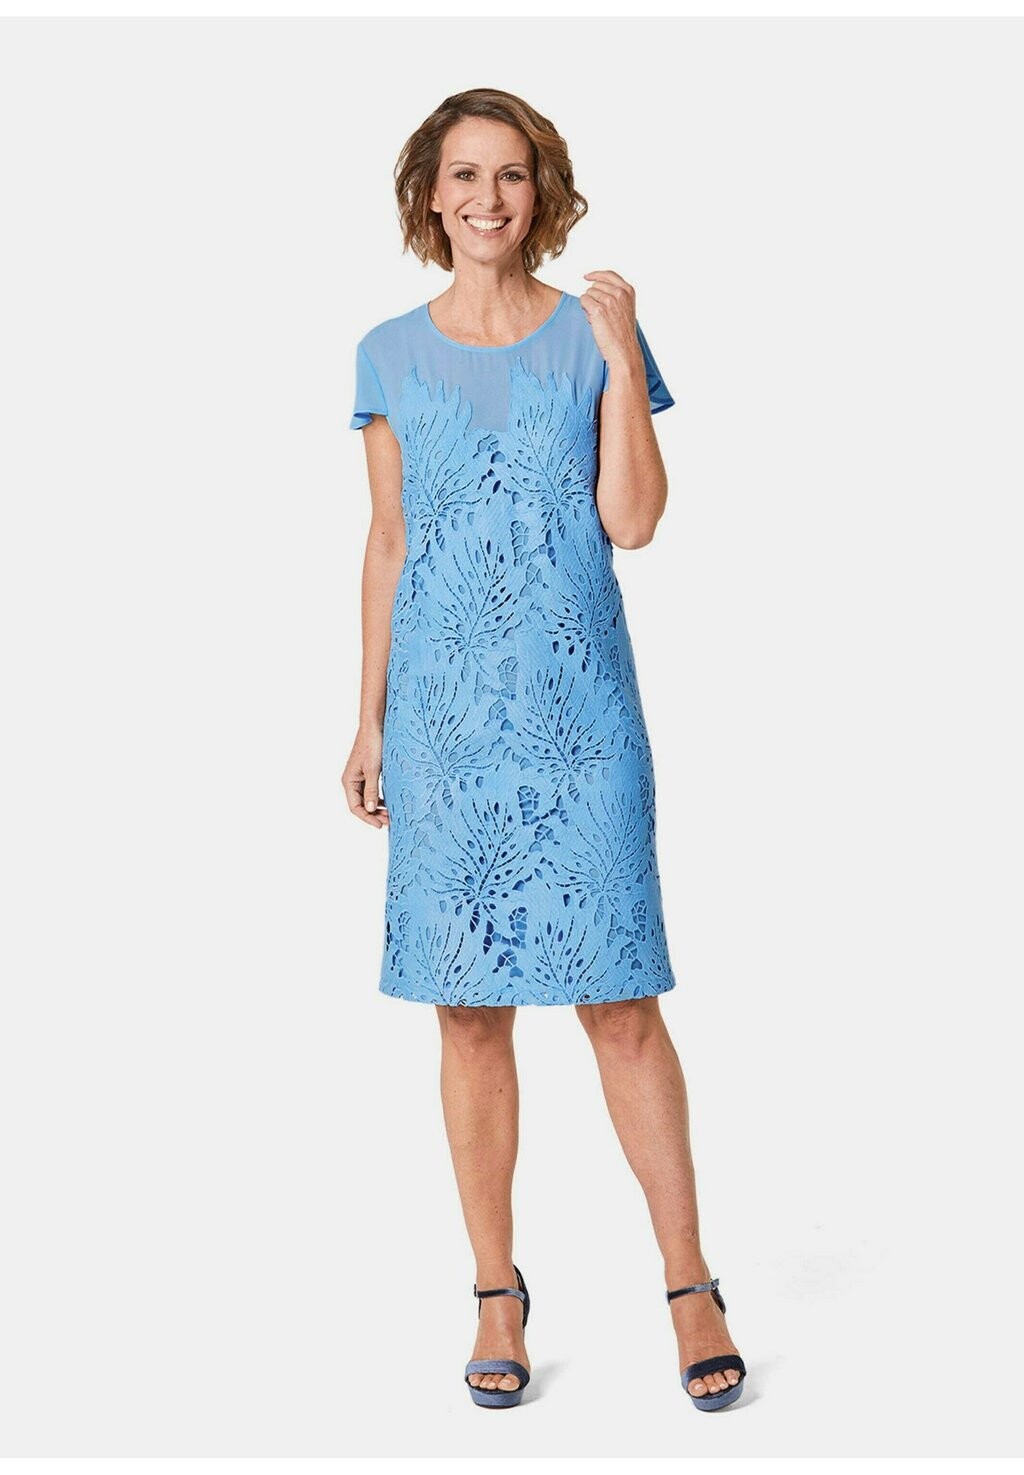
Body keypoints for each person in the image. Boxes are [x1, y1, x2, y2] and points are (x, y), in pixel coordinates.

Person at [342, 87, 746, 1413]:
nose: (488, 198)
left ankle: (689, 1283)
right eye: (464, 174)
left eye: (510, 174)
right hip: (447, 730)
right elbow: (390, 541)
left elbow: (633, 520)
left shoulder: (592, 331)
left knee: (621, 1004)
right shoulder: (387, 353)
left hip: (581, 728)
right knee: (468, 1014)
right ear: (430, 192)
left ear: (542, 191)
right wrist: (368, 718)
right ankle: (494, 1291)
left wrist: (622, 351)